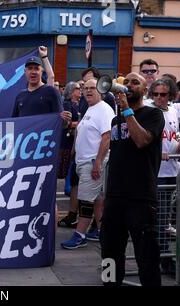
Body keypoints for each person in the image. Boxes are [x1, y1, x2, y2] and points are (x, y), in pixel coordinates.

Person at [101, 72, 165, 286]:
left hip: (141, 197)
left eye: (135, 82)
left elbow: (142, 140)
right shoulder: (115, 119)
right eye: (126, 81)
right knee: (109, 253)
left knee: (146, 256)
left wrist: (127, 109)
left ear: (144, 90)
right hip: (115, 196)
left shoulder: (153, 115)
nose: (129, 85)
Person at [61, 79, 114, 249]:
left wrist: (98, 162)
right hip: (84, 161)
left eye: (93, 88)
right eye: (86, 88)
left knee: (84, 200)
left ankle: (80, 234)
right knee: (97, 199)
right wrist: (74, 151)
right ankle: (102, 231)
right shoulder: (90, 109)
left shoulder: (104, 110)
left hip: (92, 162)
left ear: (101, 91)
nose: (89, 91)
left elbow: (107, 136)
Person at [147, 78, 180, 274]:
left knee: (166, 216)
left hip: (173, 170)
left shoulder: (173, 110)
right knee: (159, 217)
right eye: (156, 94)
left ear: (170, 95)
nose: (160, 98)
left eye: (163, 94)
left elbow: (174, 133)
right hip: (156, 172)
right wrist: (157, 154)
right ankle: (162, 257)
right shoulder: (147, 110)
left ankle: (163, 256)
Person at [12, 56, 71, 127]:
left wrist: (65, 120)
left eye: (36, 69)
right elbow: (13, 123)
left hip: (46, 137)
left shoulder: (51, 92)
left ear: (41, 71)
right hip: (24, 137)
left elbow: (62, 124)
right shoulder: (20, 95)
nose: (33, 72)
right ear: (25, 72)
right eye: (30, 68)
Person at [58, 82, 82, 228]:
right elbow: (65, 123)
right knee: (64, 171)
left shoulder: (79, 104)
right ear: (71, 91)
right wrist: (80, 123)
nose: (80, 92)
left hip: (74, 142)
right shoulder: (67, 104)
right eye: (78, 89)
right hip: (66, 144)